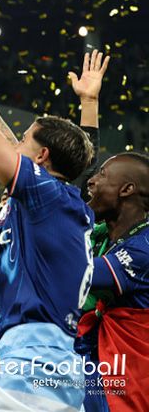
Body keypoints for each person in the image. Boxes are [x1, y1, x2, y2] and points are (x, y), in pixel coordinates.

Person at [0, 27, 95, 411]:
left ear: (42, 157)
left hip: (28, 367)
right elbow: (2, 135)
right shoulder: (60, 202)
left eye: (25, 139)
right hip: (46, 361)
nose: (15, 144)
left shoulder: (43, 194)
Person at [77, 152, 149, 412]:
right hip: (101, 370)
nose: (91, 181)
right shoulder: (105, 239)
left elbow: (79, 274)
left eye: (102, 174)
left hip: (129, 387)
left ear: (126, 189)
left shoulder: (144, 246)